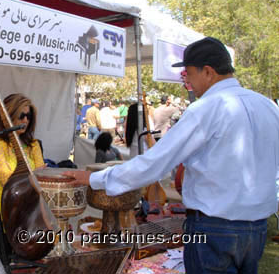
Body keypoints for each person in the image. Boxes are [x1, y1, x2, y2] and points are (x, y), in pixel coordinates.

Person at [66, 37, 279, 274]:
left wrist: (94, 179)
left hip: (215, 228)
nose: (187, 82)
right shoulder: (268, 106)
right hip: (257, 228)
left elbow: (155, 163)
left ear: (208, 72)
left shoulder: (206, 108)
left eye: (188, 74)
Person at [0, 93, 45, 258]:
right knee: (1, 265)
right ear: (9, 116)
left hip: (29, 217)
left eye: (29, 116)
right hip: (1, 217)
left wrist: (36, 178)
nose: (26, 120)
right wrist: (35, 177)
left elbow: (43, 181)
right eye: (21, 115)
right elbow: (7, 181)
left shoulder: (33, 145)